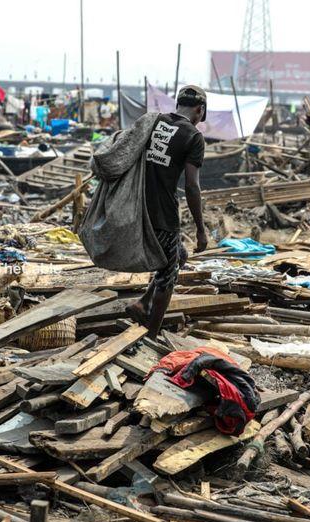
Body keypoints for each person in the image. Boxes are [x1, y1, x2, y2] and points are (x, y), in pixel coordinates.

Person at [126, 85, 209, 338]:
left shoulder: (155, 122)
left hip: (138, 205)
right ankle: (151, 333)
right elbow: (192, 187)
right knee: (168, 275)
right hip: (163, 213)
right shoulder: (194, 137)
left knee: (178, 256)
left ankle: (143, 302)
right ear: (199, 110)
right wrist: (200, 230)